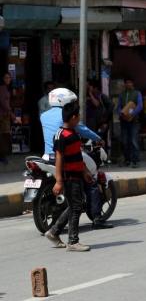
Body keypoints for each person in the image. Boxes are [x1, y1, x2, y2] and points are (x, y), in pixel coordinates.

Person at [40, 88, 112, 230]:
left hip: (47, 156)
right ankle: (97, 218)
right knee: (90, 180)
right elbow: (83, 130)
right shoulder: (67, 120)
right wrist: (98, 138)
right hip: (66, 157)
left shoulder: (44, 115)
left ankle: (63, 234)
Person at [48, 101, 93, 252]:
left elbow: (78, 155)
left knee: (75, 206)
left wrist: (85, 171)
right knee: (76, 207)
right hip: (68, 177)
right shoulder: (61, 135)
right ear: (73, 117)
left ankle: (53, 232)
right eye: (78, 115)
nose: (79, 118)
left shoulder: (74, 133)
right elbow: (59, 158)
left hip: (77, 175)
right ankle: (73, 241)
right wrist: (59, 181)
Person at [117, 77, 143, 168]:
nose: (128, 84)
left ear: (133, 83)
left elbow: (140, 106)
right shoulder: (122, 95)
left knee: (133, 141)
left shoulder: (137, 93)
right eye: (126, 82)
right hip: (124, 121)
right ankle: (127, 160)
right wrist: (121, 113)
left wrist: (132, 113)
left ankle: (135, 161)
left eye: (130, 82)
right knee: (124, 141)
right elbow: (119, 107)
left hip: (134, 121)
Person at [0, 72, 15, 165]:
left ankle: (3, 155)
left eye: (9, 77)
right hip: (3, 116)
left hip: (5, 115)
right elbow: (3, 102)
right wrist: (11, 114)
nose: (8, 79)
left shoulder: (6, 88)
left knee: (4, 135)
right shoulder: (2, 88)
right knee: (4, 135)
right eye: (6, 77)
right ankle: (2, 155)